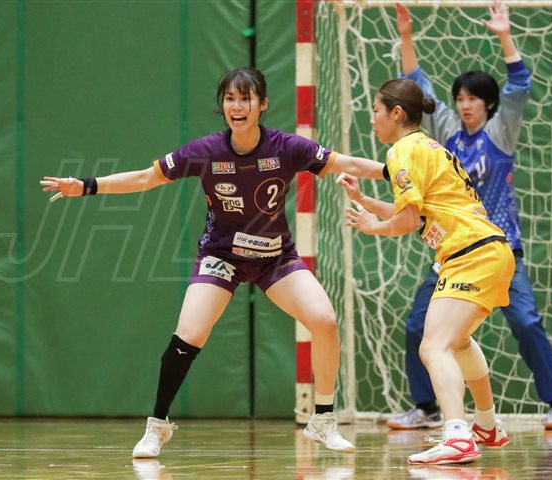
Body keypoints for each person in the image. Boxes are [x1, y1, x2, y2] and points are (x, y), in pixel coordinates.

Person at [41, 67, 385, 457]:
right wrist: (86, 186)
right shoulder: (205, 151)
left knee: (324, 321)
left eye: (245, 98)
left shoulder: (287, 147)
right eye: (230, 98)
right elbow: (144, 179)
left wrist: (392, 171)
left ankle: (322, 421)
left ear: (262, 104)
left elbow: (346, 164)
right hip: (221, 257)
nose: (237, 106)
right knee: (188, 335)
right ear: (222, 105)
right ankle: (157, 427)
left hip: (275, 259)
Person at [386, 1, 552, 432]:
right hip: (452, 253)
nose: (465, 105)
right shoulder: (447, 133)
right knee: (417, 326)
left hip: (498, 248)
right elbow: (417, 84)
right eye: (460, 99)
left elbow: (519, 85)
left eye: (472, 99)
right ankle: (428, 409)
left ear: (488, 103)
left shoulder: (500, 133)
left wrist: (505, 35)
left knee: (525, 321)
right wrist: (406, 35)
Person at [337, 77, 513, 464]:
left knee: (434, 347)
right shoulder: (427, 147)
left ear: (397, 113)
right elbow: (417, 216)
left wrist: (373, 227)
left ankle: (458, 435)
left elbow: (404, 222)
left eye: (376, 111)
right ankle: (486, 425)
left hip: (472, 254)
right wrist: (365, 201)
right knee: (457, 343)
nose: (372, 119)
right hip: (488, 251)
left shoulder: (402, 151)